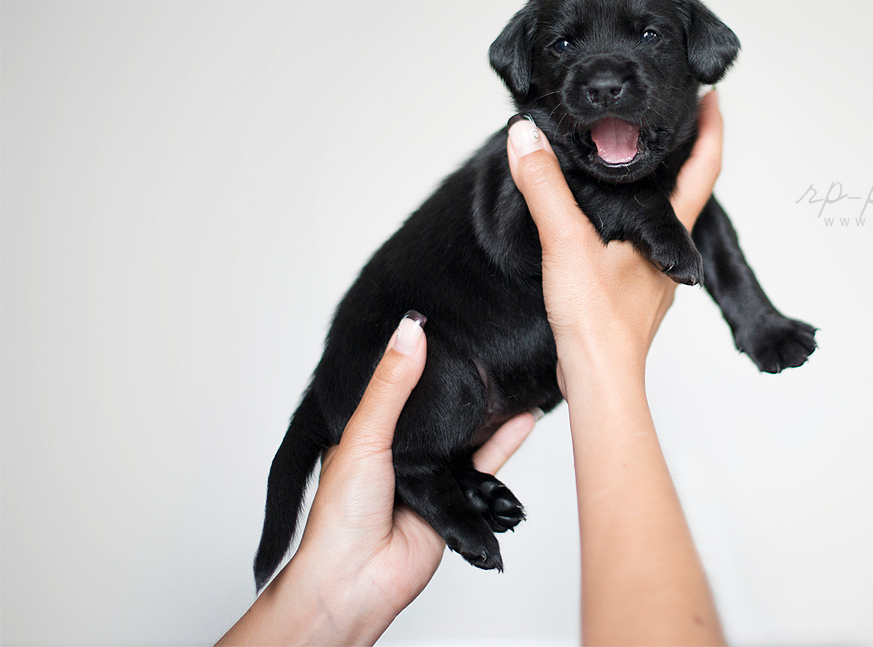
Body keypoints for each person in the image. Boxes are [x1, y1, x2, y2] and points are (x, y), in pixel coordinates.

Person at [220, 91, 726, 646]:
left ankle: (444, 476)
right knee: (441, 402)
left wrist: (335, 596)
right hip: (405, 340)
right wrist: (606, 360)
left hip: (480, 364)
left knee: (457, 405)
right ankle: (423, 472)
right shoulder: (539, 158)